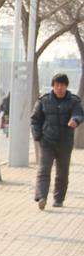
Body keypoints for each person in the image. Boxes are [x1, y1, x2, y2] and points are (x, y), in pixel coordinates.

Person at [31, 73, 83, 209]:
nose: (60, 88)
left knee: (62, 172)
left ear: (66, 86)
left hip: (65, 142)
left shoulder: (74, 101)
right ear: (53, 86)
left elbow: (78, 113)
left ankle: (58, 199)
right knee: (44, 170)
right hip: (47, 141)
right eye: (57, 85)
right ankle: (41, 197)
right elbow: (35, 119)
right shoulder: (43, 101)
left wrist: (75, 120)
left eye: (62, 85)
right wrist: (38, 136)